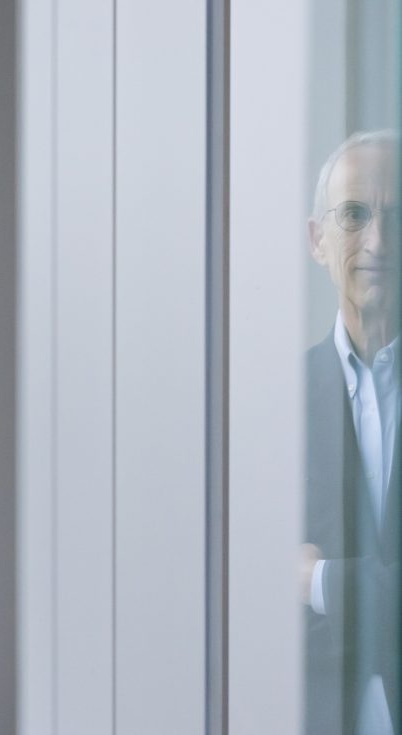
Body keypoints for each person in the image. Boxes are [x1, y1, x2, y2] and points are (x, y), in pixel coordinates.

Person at [303, 130, 400, 735]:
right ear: (317, 239)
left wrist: (318, 580)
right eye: (355, 214)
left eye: (396, 216)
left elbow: (290, 579)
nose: (379, 241)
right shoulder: (271, 408)